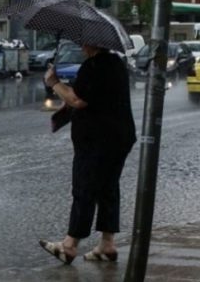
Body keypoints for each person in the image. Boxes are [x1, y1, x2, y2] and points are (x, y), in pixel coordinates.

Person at [39, 42, 137, 265]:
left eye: (83, 42)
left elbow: (77, 100)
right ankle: (107, 244)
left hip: (97, 140)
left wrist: (54, 82)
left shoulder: (94, 67)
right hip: (119, 136)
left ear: (91, 43)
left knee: (85, 187)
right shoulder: (116, 63)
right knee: (108, 188)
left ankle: (69, 245)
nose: (81, 46)